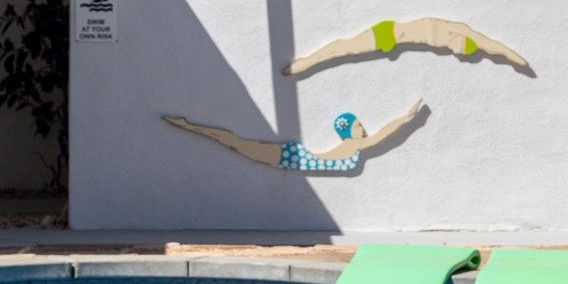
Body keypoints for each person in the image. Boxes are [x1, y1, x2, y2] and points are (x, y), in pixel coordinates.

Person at [162, 101, 425, 172]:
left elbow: (377, 136)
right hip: (290, 157)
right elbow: (381, 135)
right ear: (348, 131)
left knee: (235, 142)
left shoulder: (352, 146)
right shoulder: (353, 146)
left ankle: (188, 126)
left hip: (290, 158)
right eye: (358, 126)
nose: (363, 129)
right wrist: (404, 119)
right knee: (234, 142)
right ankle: (188, 126)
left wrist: (404, 119)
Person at [282, 18, 528, 77]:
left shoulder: (461, 41)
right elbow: (493, 46)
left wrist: (514, 59)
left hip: (395, 40)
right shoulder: (459, 29)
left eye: (459, 54)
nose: (456, 52)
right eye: (459, 48)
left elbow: (494, 49)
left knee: (346, 50)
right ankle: (306, 63)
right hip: (388, 33)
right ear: (462, 40)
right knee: (345, 49)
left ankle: (307, 63)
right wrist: (512, 56)